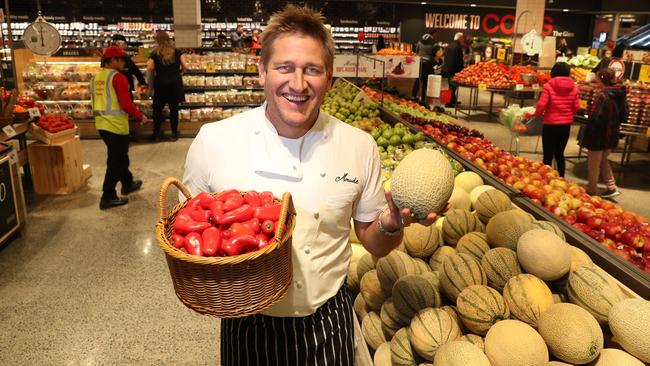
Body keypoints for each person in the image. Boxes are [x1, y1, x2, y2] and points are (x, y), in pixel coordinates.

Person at [181, 5, 445, 365]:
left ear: (331, 78)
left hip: (328, 320)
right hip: (246, 323)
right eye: (285, 67)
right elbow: (187, 234)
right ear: (262, 71)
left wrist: (392, 223)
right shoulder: (214, 141)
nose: (299, 84)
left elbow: (373, 240)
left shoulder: (358, 145)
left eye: (312, 70)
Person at [91, 46, 146, 210]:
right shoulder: (118, 77)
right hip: (116, 125)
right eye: (122, 59)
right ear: (113, 60)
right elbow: (126, 103)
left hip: (101, 124)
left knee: (119, 156)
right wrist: (140, 116)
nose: (124, 62)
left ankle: (127, 182)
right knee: (117, 161)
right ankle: (107, 195)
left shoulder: (96, 78)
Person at [529, 62, 579, 178]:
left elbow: (542, 105)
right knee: (559, 154)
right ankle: (561, 179)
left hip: (550, 125)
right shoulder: (574, 88)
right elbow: (576, 107)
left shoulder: (549, 86)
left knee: (548, 155)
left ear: (553, 72)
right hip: (565, 126)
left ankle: (547, 180)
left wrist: (536, 114)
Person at [583, 68, 628, 198]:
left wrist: (588, 131)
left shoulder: (602, 95)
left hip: (599, 135)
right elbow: (625, 114)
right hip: (612, 134)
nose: (596, 82)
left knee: (594, 163)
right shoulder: (619, 93)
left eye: (597, 80)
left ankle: (591, 190)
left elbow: (595, 117)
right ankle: (611, 186)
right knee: (603, 160)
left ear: (602, 80)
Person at [146, 30, 187, 142]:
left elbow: (149, 68)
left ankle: (156, 134)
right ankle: (174, 133)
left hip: (161, 83)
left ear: (157, 41)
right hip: (175, 83)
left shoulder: (154, 53)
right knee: (174, 109)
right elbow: (185, 65)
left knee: (157, 109)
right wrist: (180, 73)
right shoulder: (177, 51)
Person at [112, 34, 147, 99]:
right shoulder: (124, 57)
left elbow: (135, 71)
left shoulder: (108, 58)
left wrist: (142, 83)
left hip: (114, 90)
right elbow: (136, 71)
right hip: (124, 89)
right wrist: (143, 83)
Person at [412, 29, 437, 103]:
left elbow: (416, 50)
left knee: (418, 80)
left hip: (420, 62)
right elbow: (433, 54)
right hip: (428, 64)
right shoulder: (433, 43)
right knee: (425, 82)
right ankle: (423, 99)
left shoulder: (420, 40)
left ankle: (413, 96)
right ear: (434, 34)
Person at [442, 32, 465, 107]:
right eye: (462, 38)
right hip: (454, 70)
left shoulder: (449, 46)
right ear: (460, 38)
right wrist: (461, 70)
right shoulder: (458, 47)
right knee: (452, 87)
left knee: (450, 86)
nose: (463, 40)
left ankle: (452, 100)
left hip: (448, 69)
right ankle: (448, 103)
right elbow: (459, 60)